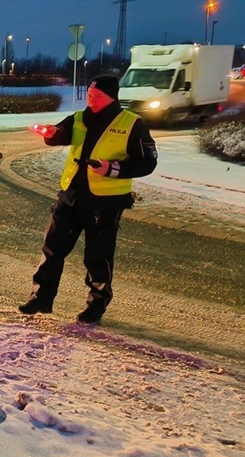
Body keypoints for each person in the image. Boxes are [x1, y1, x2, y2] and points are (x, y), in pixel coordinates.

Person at [19, 75, 158, 324]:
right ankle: (41, 298)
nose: (90, 99)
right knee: (52, 249)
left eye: (96, 96)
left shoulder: (131, 123)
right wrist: (51, 133)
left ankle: (97, 304)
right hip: (71, 197)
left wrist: (112, 169)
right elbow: (61, 133)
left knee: (97, 257)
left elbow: (148, 161)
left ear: (110, 97)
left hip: (105, 203)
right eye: (89, 95)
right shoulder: (80, 118)